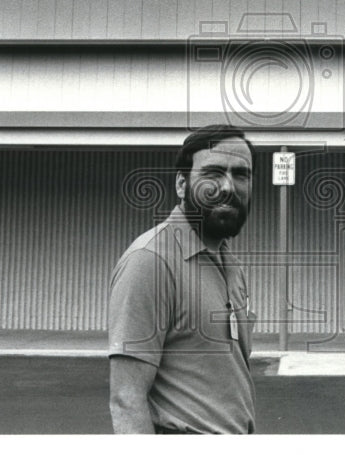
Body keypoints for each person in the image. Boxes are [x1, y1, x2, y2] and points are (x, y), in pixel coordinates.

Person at [108, 125, 256, 434]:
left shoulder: (231, 265)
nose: (229, 186)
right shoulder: (150, 261)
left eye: (241, 174)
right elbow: (126, 399)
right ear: (181, 183)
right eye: (213, 173)